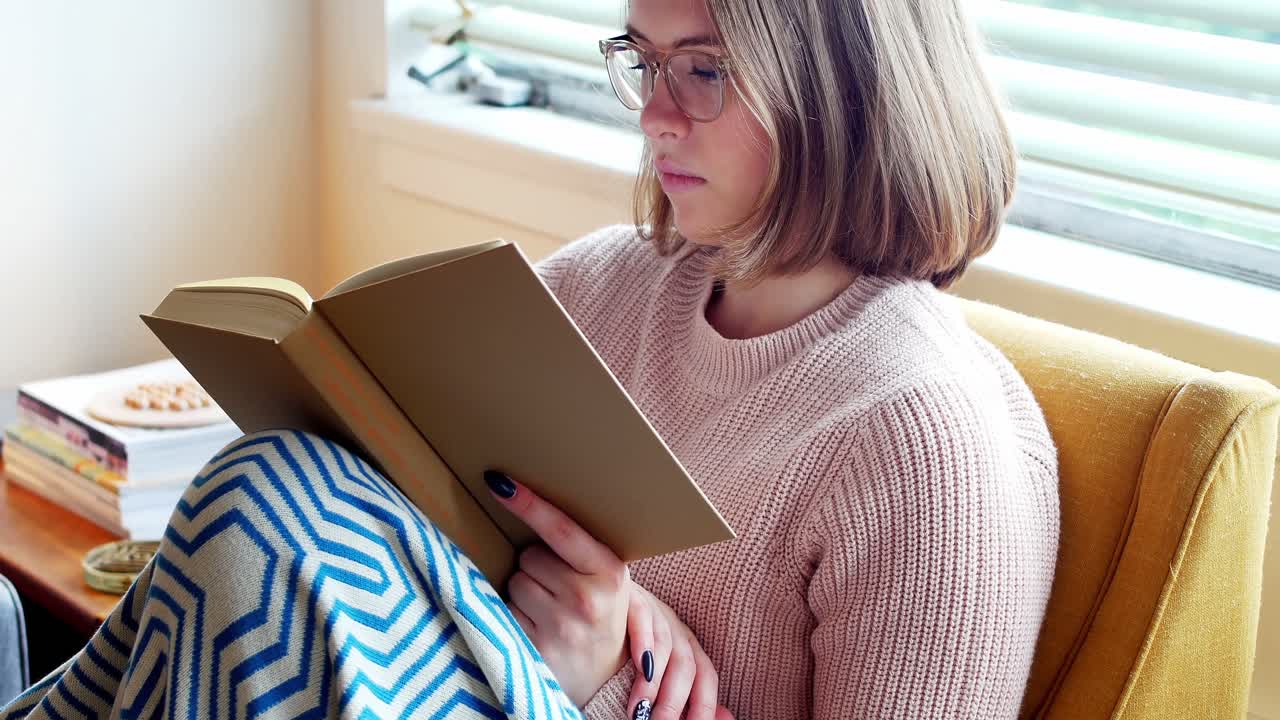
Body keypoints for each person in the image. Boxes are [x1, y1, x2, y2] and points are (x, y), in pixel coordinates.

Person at [1, 0, 1058, 718]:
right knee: (275, 484)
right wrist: (591, 611)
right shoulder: (606, 286)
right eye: (642, 60)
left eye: (702, 71)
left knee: (269, 500)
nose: (651, 114)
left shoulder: (925, 443)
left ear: (848, 88)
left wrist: (599, 681)